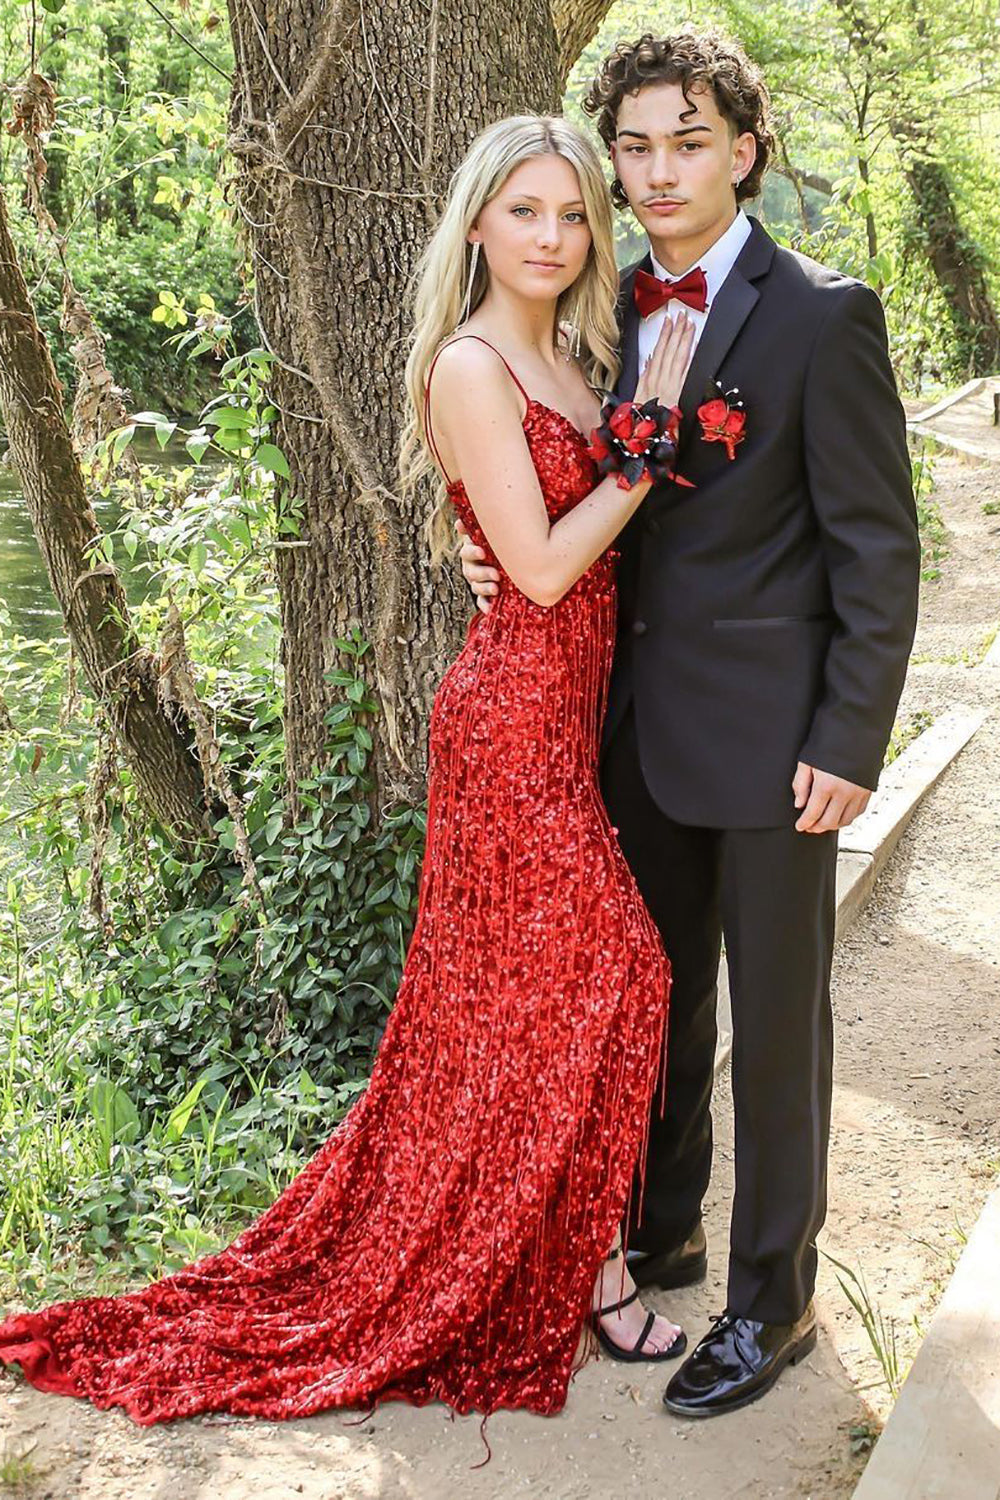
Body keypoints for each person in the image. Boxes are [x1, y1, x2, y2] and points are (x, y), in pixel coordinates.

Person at [0, 114, 698, 1429]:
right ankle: (578, 1272)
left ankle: (558, 1260)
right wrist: (645, 453)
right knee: (623, 968)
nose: (553, 238)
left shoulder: (570, 358)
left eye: (571, 216)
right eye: (527, 212)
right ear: (478, 223)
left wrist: (600, 458)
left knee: (522, 1004)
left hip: (567, 719)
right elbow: (546, 567)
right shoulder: (473, 363)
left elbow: (527, 534)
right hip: (507, 729)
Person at [460, 32, 921, 1419]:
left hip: (782, 742)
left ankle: (769, 1302)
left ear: (744, 151)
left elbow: (876, 551)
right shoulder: (593, 316)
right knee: (650, 1008)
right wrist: (478, 553)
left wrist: (850, 738)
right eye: (637, 147)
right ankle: (661, 1229)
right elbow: (544, 487)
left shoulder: (822, 316)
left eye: (688, 140)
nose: (659, 172)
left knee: (779, 1026)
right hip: (623, 735)